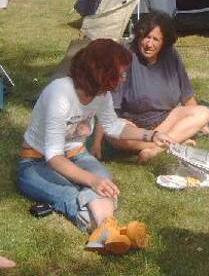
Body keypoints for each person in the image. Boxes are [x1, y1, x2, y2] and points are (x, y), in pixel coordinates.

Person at [18, 39, 175, 254]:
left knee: (104, 184)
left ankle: (107, 231)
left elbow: (113, 126)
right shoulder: (60, 93)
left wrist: (151, 135)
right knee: (70, 193)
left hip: (76, 155)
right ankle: (118, 232)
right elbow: (54, 157)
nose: (124, 78)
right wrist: (92, 180)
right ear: (102, 72)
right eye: (120, 73)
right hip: (37, 163)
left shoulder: (101, 95)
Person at [92, 12, 209, 163]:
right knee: (116, 136)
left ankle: (156, 150)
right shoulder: (124, 57)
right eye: (146, 37)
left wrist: (201, 124)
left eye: (155, 39)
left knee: (204, 113)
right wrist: (97, 143)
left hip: (165, 121)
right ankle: (176, 141)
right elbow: (107, 106)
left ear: (164, 42)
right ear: (139, 36)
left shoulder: (171, 55)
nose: (149, 44)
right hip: (134, 127)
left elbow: (187, 95)